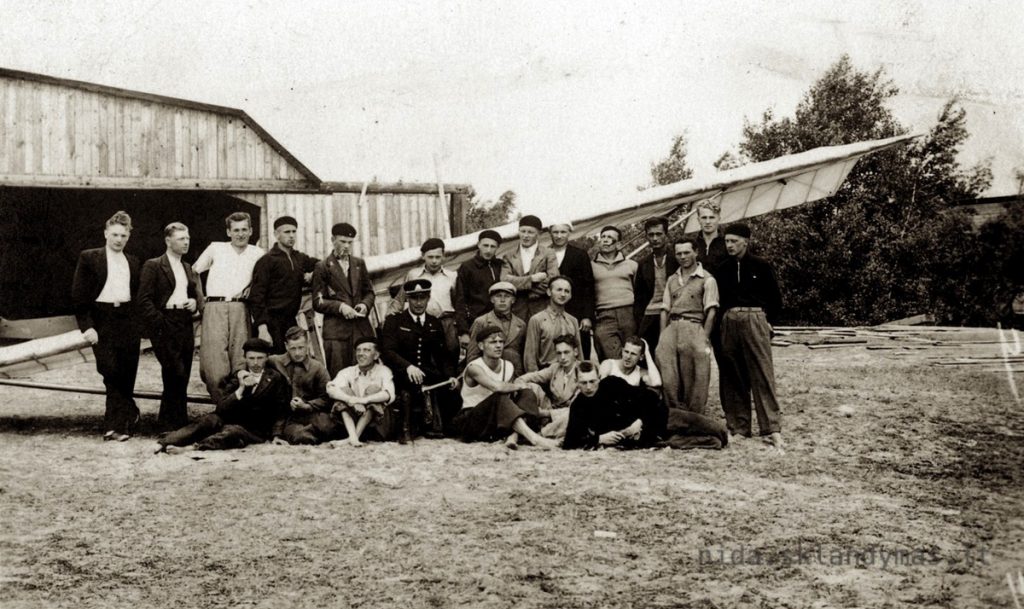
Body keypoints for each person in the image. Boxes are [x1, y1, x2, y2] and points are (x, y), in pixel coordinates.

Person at [71, 211, 143, 441]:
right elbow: (78, 297)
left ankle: (116, 426)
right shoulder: (90, 257)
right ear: (105, 234)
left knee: (127, 373)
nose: (118, 239)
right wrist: (87, 327)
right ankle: (126, 415)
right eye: (114, 234)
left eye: (123, 235)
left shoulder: (133, 261)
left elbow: (139, 295)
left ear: (128, 236)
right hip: (102, 320)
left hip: (127, 320)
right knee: (110, 371)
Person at [155, 338, 290, 453]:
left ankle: (193, 448)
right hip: (230, 419)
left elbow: (281, 409)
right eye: (251, 358)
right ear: (245, 358)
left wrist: (277, 435)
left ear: (267, 358)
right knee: (208, 420)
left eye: (260, 358)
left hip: (255, 430)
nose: (255, 363)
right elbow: (221, 407)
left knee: (232, 433)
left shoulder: (275, 378)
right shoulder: (238, 377)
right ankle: (164, 443)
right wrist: (241, 389)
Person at [716, 223, 784, 448]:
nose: (730, 245)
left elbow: (775, 299)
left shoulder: (761, 265)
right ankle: (739, 427)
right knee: (732, 375)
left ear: (746, 241)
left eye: (734, 241)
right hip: (729, 320)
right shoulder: (722, 268)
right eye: (727, 241)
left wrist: (769, 323)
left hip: (754, 318)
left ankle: (772, 428)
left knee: (762, 373)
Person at [138, 222, 204, 430]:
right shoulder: (154, 265)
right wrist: (159, 322)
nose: (186, 243)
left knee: (183, 372)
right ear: (168, 241)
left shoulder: (186, 267)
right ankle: (169, 423)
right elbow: (144, 299)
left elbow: (192, 294)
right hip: (165, 321)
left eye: (187, 239)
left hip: (184, 321)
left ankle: (177, 422)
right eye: (181, 239)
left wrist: (193, 303)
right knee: (173, 371)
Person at [193, 212, 265, 400]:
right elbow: (194, 272)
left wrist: (251, 287)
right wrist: (201, 302)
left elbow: (262, 280)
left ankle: (238, 406)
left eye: (244, 230)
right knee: (214, 362)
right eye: (236, 230)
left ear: (250, 231)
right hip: (215, 306)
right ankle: (221, 405)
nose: (240, 234)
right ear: (228, 232)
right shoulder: (216, 248)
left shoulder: (258, 253)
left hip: (241, 308)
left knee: (240, 358)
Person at [452, 325, 559, 449]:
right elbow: (497, 387)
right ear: (481, 346)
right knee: (500, 396)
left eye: (501, 342)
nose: (498, 346)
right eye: (493, 342)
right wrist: (519, 385)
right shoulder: (474, 367)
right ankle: (534, 438)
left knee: (526, 393)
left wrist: (523, 388)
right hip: (473, 420)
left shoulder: (508, 366)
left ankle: (514, 436)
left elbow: (510, 393)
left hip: (496, 422)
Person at [380, 279, 459, 443]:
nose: (418, 303)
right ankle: (406, 429)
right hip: (401, 371)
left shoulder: (434, 322)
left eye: (422, 298)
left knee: (450, 390)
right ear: (407, 299)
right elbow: (388, 351)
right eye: (414, 298)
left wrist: (450, 375)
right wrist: (408, 366)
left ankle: (439, 426)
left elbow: (442, 354)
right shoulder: (394, 321)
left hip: (426, 372)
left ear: (428, 298)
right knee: (407, 392)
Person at [657, 238, 719, 415]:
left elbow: (712, 311)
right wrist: (663, 336)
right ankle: (674, 415)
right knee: (668, 376)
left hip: (694, 327)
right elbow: (665, 309)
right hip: (672, 327)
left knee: (696, 375)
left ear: (696, 252)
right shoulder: (671, 279)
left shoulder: (707, 279)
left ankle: (695, 416)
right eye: (679, 253)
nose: (682, 257)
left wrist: (704, 338)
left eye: (686, 252)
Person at [248, 216, 319, 353]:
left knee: (292, 362)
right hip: (270, 322)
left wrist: (313, 274)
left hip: (291, 321)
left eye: (294, 232)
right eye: (287, 232)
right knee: (275, 365)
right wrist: (262, 328)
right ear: (276, 234)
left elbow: (323, 266)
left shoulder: (300, 258)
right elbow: (256, 296)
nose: (291, 236)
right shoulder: (266, 261)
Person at [312, 222, 375, 376]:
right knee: (339, 376)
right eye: (342, 242)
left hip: (360, 330)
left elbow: (370, 292)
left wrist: (364, 305)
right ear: (333, 240)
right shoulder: (322, 267)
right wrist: (340, 307)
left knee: (364, 374)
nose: (347, 246)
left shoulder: (359, 264)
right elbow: (318, 301)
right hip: (336, 334)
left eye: (350, 242)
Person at [562, 363, 663, 450]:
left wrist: (640, 422)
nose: (589, 387)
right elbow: (569, 442)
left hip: (650, 420)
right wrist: (599, 439)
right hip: (627, 440)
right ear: (576, 382)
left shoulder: (612, 384)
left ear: (599, 377)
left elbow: (650, 397)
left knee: (676, 419)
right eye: (583, 383)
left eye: (592, 381)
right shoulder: (578, 406)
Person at [388, 237, 459, 356]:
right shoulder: (413, 275)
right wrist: (389, 319)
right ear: (423, 256)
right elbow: (400, 299)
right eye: (430, 257)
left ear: (443, 256)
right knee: (425, 356)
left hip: (446, 323)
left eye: (438, 257)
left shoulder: (452, 276)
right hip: (421, 323)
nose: (434, 261)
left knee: (449, 354)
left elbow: (458, 302)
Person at [325, 336, 397, 447]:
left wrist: (363, 400)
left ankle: (352, 438)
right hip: (351, 423)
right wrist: (351, 400)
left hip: (377, 426)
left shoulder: (384, 371)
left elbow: (388, 394)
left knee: (374, 391)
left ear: (376, 355)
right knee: (343, 392)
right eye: (358, 350)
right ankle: (353, 437)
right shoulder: (348, 371)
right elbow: (330, 388)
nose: (360, 353)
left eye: (366, 350)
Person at [269, 326, 333, 445]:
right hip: (289, 418)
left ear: (308, 344)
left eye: (301, 348)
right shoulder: (275, 361)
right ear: (286, 346)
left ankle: (312, 431)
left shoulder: (317, 367)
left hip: (312, 414)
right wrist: (242, 373)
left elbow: (327, 398)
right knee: (301, 437)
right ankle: (305, 434)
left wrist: (307, 405)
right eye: (293, 348)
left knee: (329, 426)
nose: (297, 353)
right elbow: (254, 363)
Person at [515, 333, 580, 438]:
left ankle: (540, 434)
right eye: (559, 353)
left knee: (575, 414)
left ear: (575, 352)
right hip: (551, 409)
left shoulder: (583, 370)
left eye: (566, 352)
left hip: (568, 414)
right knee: (532, 387)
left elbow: (578, 406)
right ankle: (525, 425)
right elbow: (532, 376)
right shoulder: (555, 368)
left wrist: (546, 413)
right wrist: (520, 383)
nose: (562, 357)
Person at [548, 220, 596, 359]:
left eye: (563, 232)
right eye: (555, 232)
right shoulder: (545, 254)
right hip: (552, 311)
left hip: (577, 311)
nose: (559, 236)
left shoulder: (580, 255)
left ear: (569, 233)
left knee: (580, 349)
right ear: (550, 233)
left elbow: (588, 287)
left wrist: (587, 316)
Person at [591, 225, 638, 360]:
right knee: (612, 358)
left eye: (610, 237)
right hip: (604, 316)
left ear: (618, 243)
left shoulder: (631, 265)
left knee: (632, 355)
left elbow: (639, 291)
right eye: (603, 237)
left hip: (629, 314)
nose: (605, 240)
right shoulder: (590, 266)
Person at [501, 215, 559, 321]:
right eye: (523, 231)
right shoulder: (509, 256)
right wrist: (531, 279)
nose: (525, 235)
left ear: (539, 234)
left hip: (541, 309)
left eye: (530, 232)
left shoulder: (548, 253)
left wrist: (523, 290)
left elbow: (553, 279)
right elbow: (505, 280)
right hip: (516, 311)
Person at [633, 216, 678, 351]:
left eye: (659, 234)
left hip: (672, 311)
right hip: (650, 313)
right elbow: (639, 296)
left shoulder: (676, 258)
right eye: (651, 235)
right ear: (646, 237)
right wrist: (641, 319)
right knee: (648, 351)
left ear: (666, 235)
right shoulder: (643, 263)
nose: (655, 238)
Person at [465, 281, 527, 374]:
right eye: (498, 296)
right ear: (492, 300)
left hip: (514, 372)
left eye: (507, 296)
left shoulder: (521, 324)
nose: (502, 300)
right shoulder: (481, 322)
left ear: (513, 300)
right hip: (489, 372)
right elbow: (472, 355)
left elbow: (523, 353)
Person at [455, 229, 504, 343]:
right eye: (485, 245)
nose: (488, 250)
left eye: (493, 247)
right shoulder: (467, 267)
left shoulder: (500, 266)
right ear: (478, 245)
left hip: (498, 321)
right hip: (475, 321)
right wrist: (463, 331)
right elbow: (460, 299)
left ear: (498, 248)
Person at [523, 276, 582, 372]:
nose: (563, 294)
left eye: (567, 291)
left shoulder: (573, 320)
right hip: (546, 373)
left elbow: (579, 353)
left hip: (570, 374)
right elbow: (530, 357)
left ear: (571, 295)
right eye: (559, 290)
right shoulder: (537, 320)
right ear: (549, 292)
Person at [693, 199, 728, 274]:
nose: (708, 222)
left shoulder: (727, 243)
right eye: (704, 217)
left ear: (718, 218)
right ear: (698, 219)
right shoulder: (692, 244)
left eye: (712, 217)